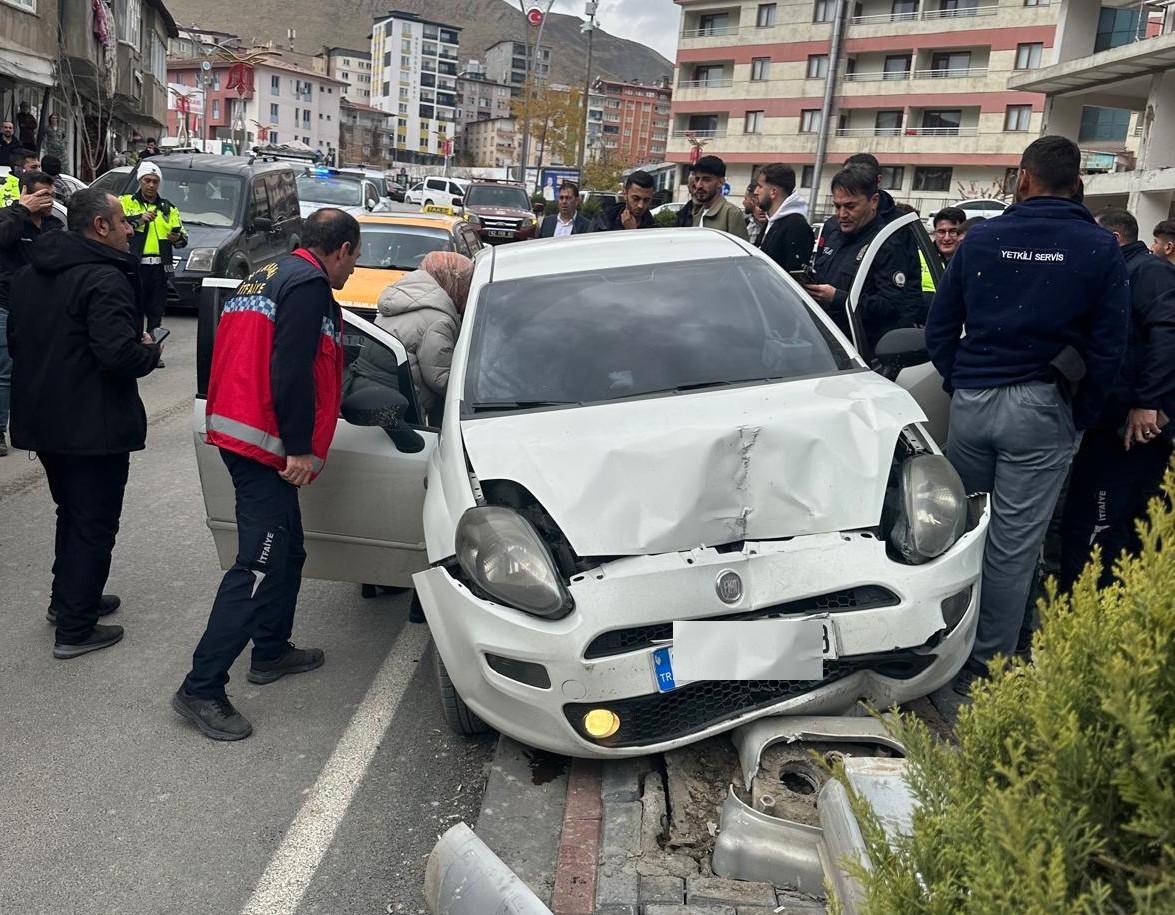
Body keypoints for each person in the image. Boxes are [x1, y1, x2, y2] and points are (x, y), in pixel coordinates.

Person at [924, 136, 1130, 718]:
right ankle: (983, 670)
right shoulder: (1098, 247)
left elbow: (941, 325)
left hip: (975, 400)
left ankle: (941, 644)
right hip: (1043, 408)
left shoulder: (983, 237)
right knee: (1014, 547)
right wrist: (1079, 413)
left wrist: (961, 380)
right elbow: (1111, 347)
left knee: (960, 530)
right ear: (1077, 182)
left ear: (1022, 179)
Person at [173, 208, 360, 741]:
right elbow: (291, 370)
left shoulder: (269, 272)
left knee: (289, 551)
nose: (352, 271)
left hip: (247, 433)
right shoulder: (307, 285)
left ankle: (271, 651)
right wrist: (299, 448)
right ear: (341, 249)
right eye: (354, 259)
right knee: (256, 566)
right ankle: (201, 686)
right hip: (264, 444)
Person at [6, 188, 162, 658]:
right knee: (93, 521)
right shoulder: (105, 278)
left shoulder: (31, 274)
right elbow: (118, 354)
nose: (130, 229)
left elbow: (18, 344)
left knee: (72, 513)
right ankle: (75, 627)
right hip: (92, 425)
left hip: (45, 419)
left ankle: (71, 598)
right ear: (100, 226)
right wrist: (149, 350)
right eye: (123, 222)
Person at [1059, 207, 1175, 591]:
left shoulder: (1147, 272)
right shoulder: (1120, 273)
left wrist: (1147, 401)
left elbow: (1166, 335)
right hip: (1112, 420)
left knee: (1100, 520)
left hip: (1130, 425)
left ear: (1111, 240)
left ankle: (1088, 603)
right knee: (1096, 517)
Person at [805, 165, 923, 351]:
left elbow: (890, 306)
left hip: (863, 351)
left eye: (851, 206)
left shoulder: (886, 243)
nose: (842, 214)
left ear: (873, 201)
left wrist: (839, 298)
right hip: (824, 342)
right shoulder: (834, 234)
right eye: (837, 206)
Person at [0, 170, 66, 458]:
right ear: (25, 192)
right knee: (5, 373)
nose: (47, 201)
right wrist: (21, 210)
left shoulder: (53, 225)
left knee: (42, 369)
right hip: (6, 306)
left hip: (43, 309)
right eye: (41, 195)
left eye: (50, 195)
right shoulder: (8, 218)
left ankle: (40, 426)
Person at [370, 250, 473, 421]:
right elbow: (440, 379)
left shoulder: (403, 299)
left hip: (380, 393)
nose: (466, 291)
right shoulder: (438, 319)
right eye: (465, 284)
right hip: (411, 410)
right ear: (453, 281)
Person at [120, 160, 186, 350]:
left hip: (159, 267)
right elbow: (117, 226)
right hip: (135, 265)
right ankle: (134, 347)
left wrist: (176, 238)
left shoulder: (169, 208)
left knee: (156, 310)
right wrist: (139, 220)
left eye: (155, 181)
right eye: (147, 180)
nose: (151, 185)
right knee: (134, 307)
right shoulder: (125, 202)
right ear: (140, 181)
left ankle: (153, 349)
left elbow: (183, 240)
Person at [754, 163, 815, 271]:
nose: (756, 192)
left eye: (760, 186)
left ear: (773, 192)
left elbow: (793, 276)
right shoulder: (771, 221)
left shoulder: (796, 227)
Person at [674, 155, 748, 239]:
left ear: (721, 182)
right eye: (697, 179)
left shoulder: (731, 213)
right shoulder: (698, 213)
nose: (699, 186)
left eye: (706, 180)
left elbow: (741, 249)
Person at [589, 171, 657, 231]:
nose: (641, 205)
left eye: (646, 200)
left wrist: (632, 232)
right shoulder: (604, 221)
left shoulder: (655, 228)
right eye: (636, 198)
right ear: (625, 194)